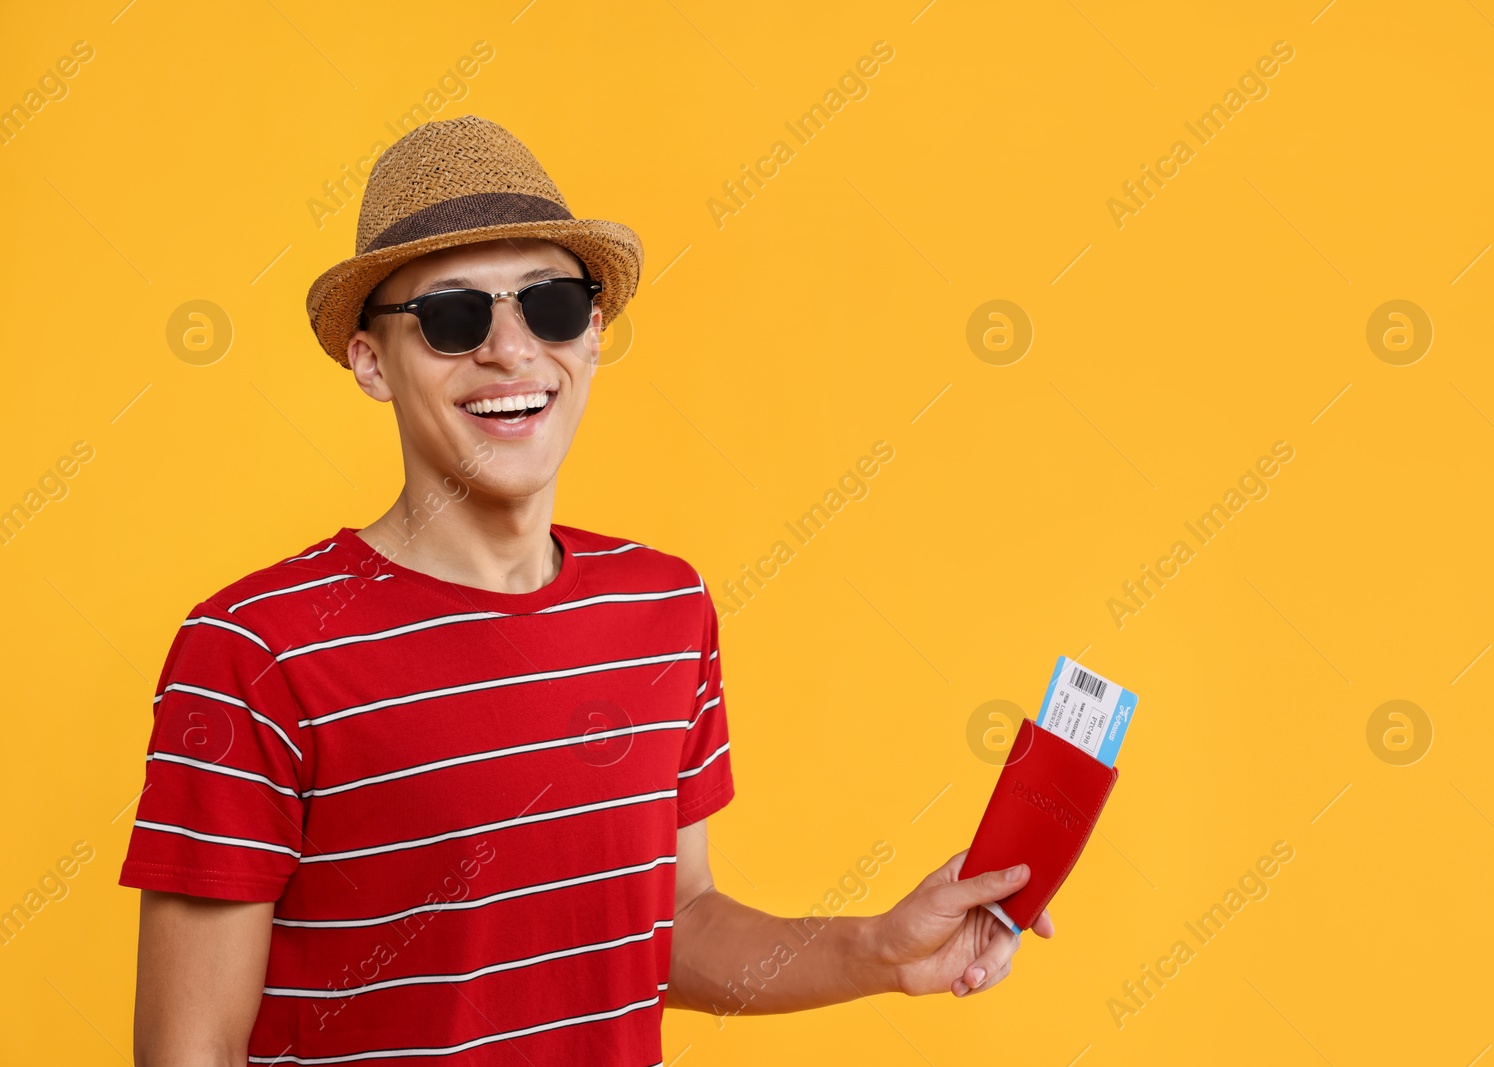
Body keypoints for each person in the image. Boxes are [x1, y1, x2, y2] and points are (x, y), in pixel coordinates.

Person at [121, 114, 1050, 1065]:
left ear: (593, 334)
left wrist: (880, 947)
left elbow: (673, 926)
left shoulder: (664, 610)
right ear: (370, 361)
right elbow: (188, 1050)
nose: (513, 351)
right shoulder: (252, 651)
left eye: (552, 306)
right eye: (452, 316)